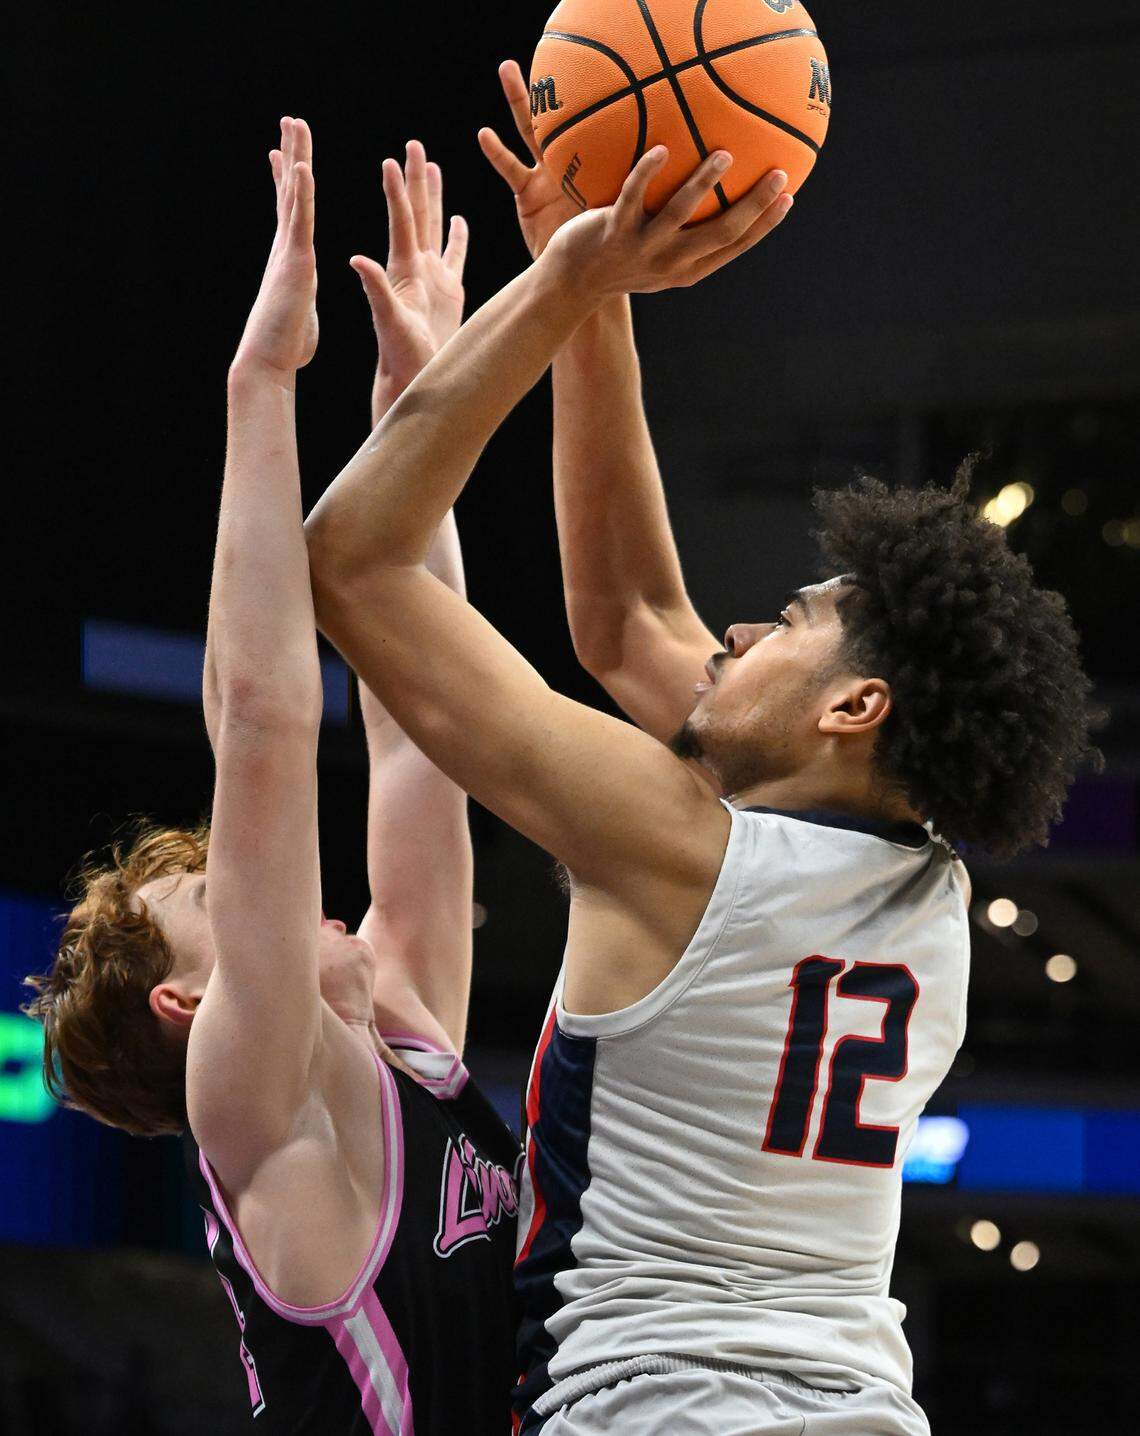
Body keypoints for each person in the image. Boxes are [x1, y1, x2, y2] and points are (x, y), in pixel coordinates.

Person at [304, 118, 1098, 1434]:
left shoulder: (680, 847)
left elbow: (356, 558)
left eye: (788, 620)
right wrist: (599, 280)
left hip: (663, 1407)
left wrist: (561, 284)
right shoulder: (926, 889)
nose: (735, 631)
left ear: (854, 705)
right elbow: (624, 616)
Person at [25, 120, 520, 1435]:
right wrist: (262, 384)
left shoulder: (404, 1034)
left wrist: (421, 411)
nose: (261, 890)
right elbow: (260, 718)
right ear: (192, 1004)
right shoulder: (254, 1099)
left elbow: (426, 722)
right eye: (216, 901)